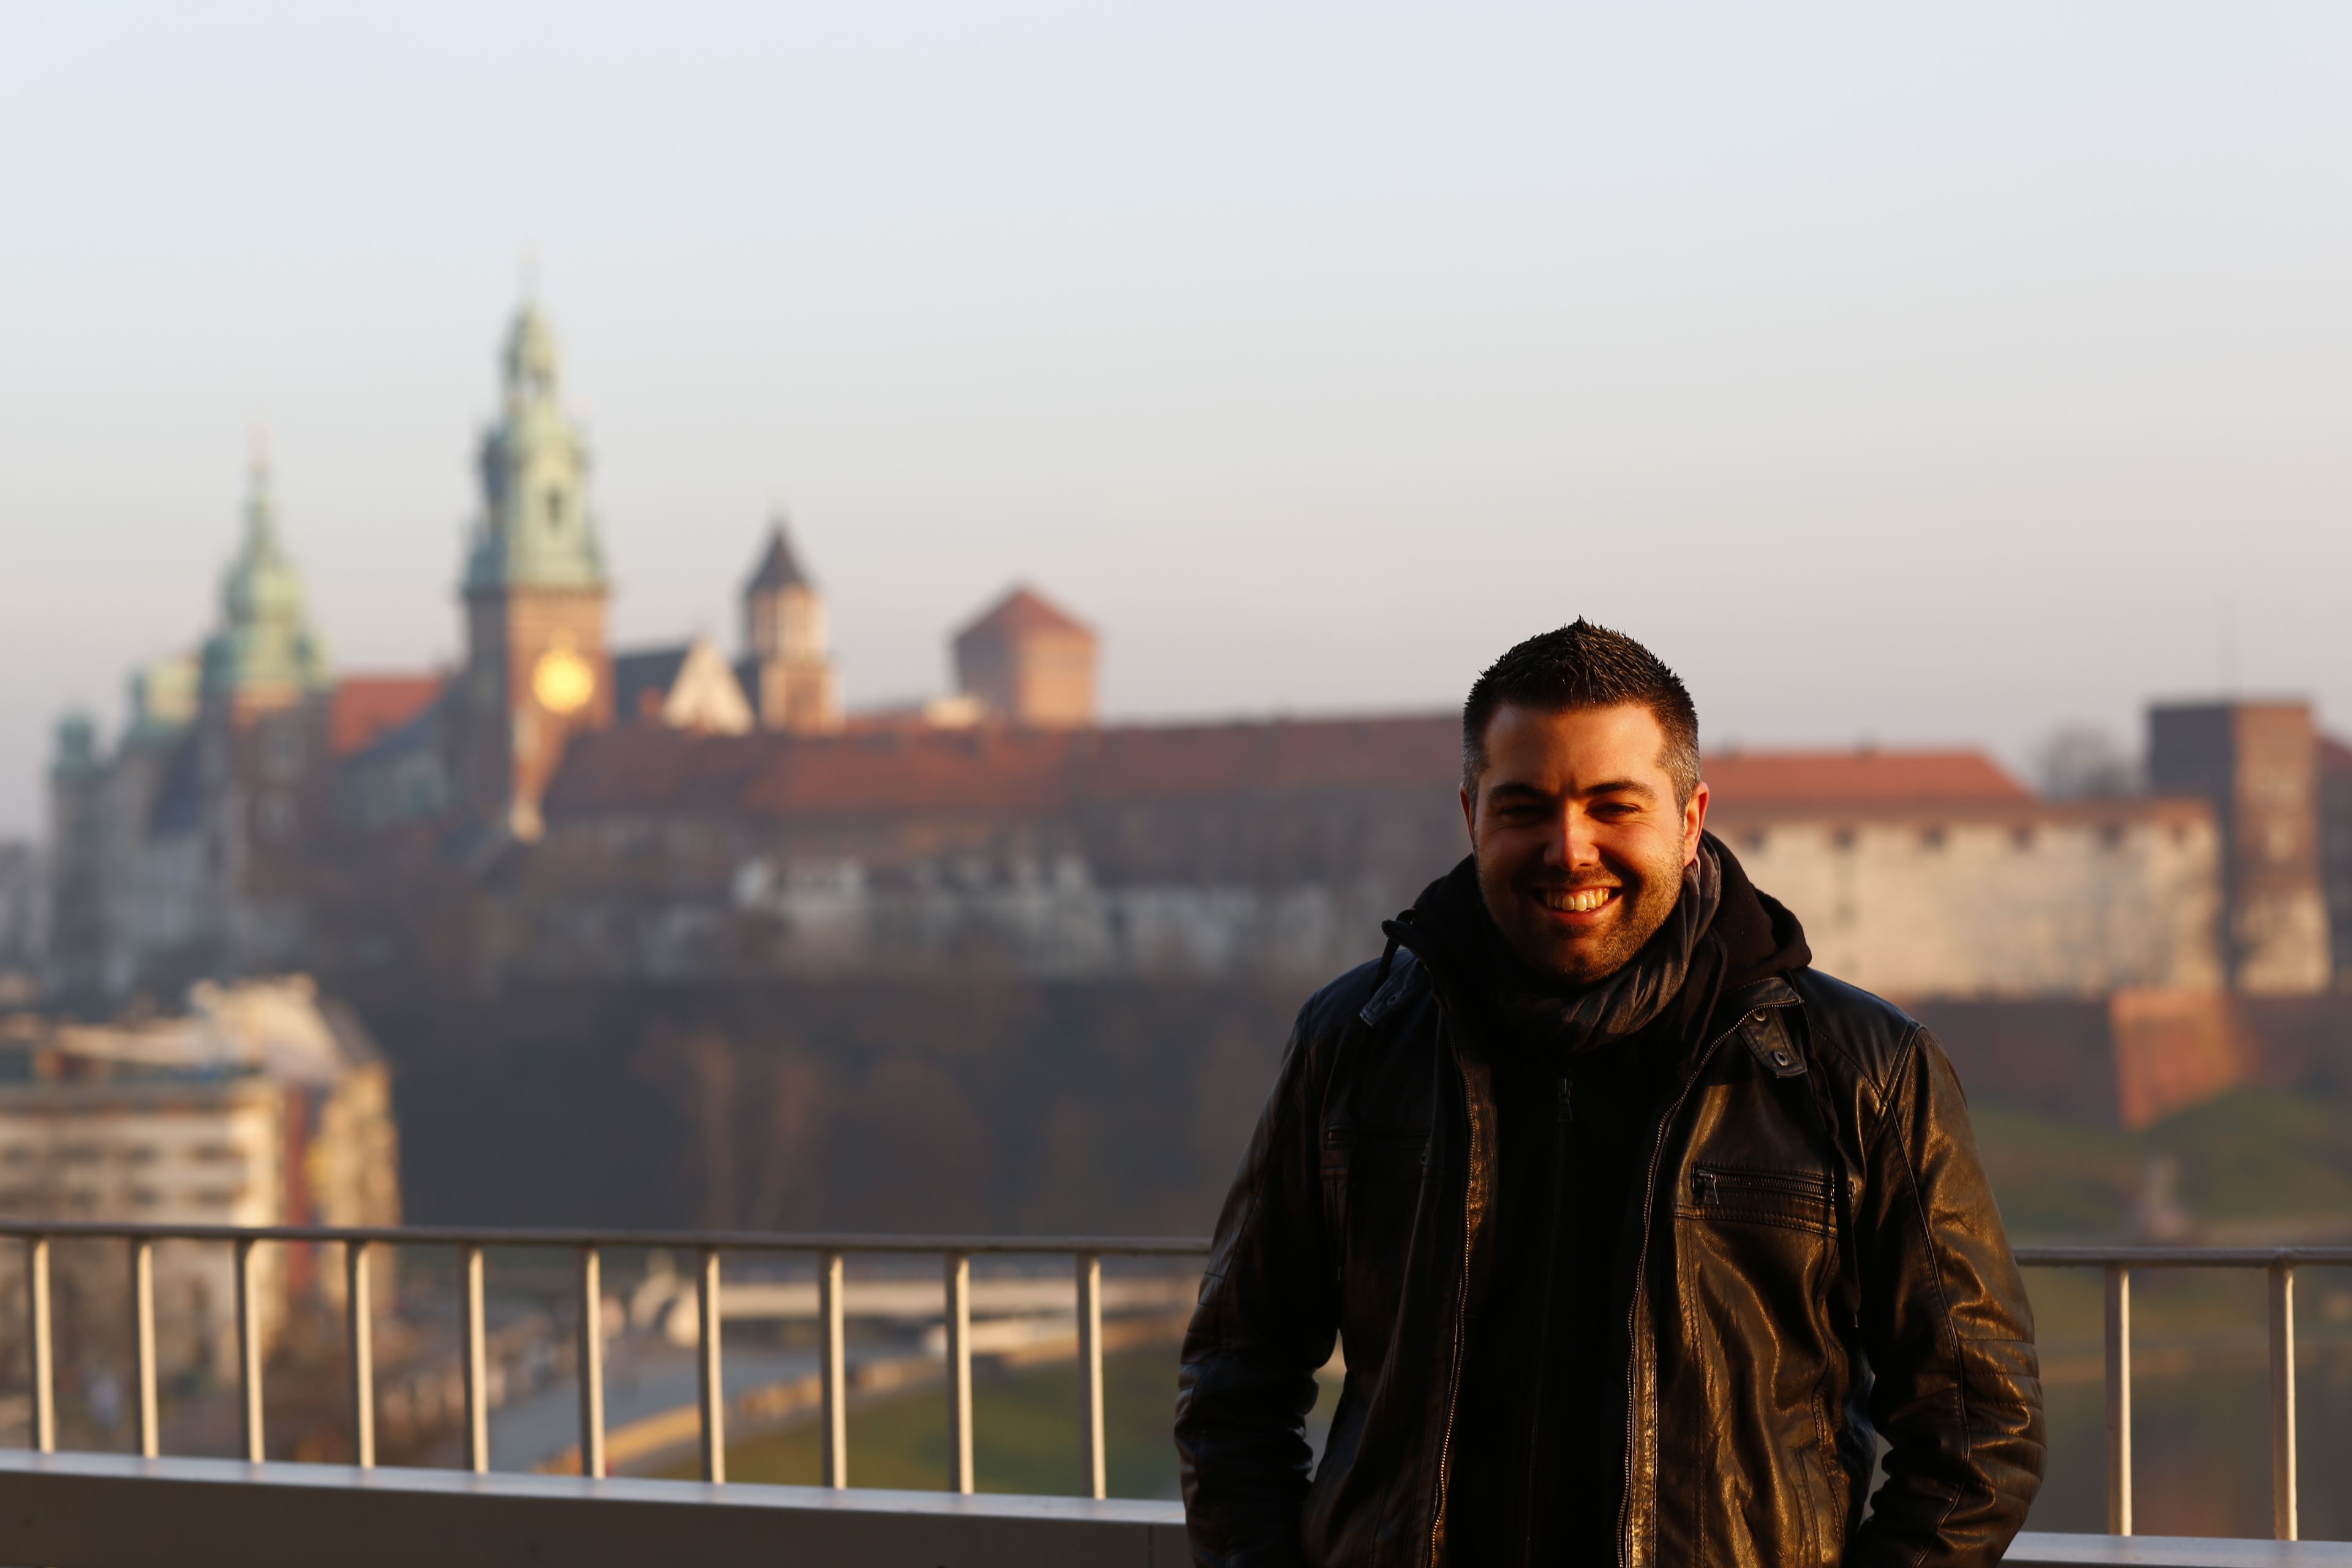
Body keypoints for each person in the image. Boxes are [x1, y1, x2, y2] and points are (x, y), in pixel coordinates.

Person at [1175, 622, 2043, 1567]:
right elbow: (1232, 1382)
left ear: (1690, 817)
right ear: (1471, 815)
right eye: (1524, 808)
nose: (1569, 848)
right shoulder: (1352, 1043)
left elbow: (1979, 1431)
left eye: (1612, 806)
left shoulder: (1862, 1069)